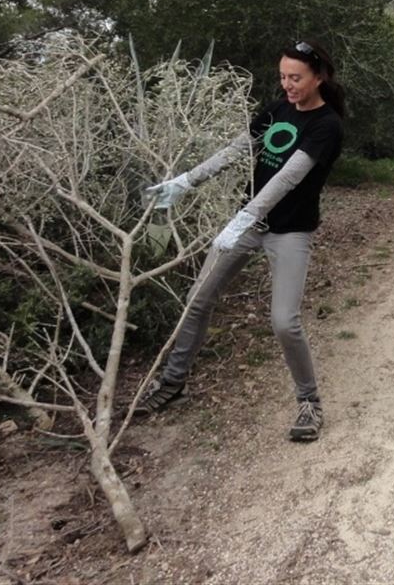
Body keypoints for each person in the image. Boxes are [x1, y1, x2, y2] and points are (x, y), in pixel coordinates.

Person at [134, 40, 345, 442]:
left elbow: (289, 177)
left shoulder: (326, 126)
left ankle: (309, 403)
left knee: (284, 321)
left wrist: (246, 215)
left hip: (289, 231)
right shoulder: (276, 109)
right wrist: (185, 182)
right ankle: (172, 383)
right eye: (283, 76)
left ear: (318, 77)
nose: (287, 85)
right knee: (197, 300)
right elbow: (237, 150)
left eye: (296, 78)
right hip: (247, 225)